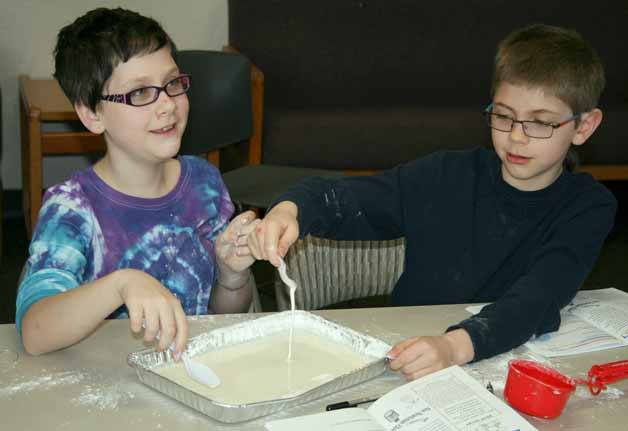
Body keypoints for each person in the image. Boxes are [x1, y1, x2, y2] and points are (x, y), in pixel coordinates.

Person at [249, 24, 617, 380]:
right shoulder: (445, 174)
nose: (516, 137)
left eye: (539, 123)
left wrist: (455, 347)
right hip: (409, 355)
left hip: (498, 357)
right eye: (503, 116)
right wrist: (290, 209)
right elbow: (344, 200)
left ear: (583, 126)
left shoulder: (587, 207)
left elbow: (539, 296)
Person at [16, 8, 258, 356]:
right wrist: (120, 285)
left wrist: (232, 278)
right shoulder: (71, 209)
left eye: (172, 84)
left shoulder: (205, 183)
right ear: (91, 114)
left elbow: (220, 319)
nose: (167, 106)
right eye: (140, 93)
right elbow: (35, 332)